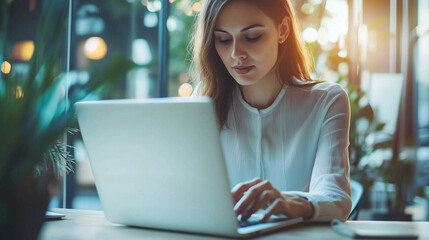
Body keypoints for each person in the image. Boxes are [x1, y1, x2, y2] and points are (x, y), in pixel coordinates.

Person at [189, 0, 352, 222]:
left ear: (282, 29)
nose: (237, 53)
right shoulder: (205, 100)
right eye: (224, 40)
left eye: (252, 36)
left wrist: (293, 203)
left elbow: (336, 200)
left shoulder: (326, 101)